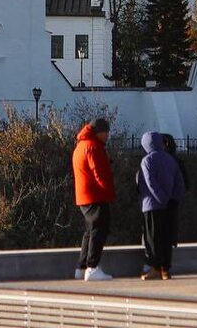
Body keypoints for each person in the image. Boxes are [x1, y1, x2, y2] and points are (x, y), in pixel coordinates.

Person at [135, 131, 186, 280]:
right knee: (166, 237)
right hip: (169, 205)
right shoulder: (171, 159)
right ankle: (165, 269)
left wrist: (161, 199)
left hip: (152, 205)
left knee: (153, 238)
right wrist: (173, 199)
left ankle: (155, 267)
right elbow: (179, 183)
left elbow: (150, 182)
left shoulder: (147, 160)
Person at [72, 117, 116, 281]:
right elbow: (99, 173)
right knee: (99, 230)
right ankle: (92, 267)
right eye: (106, 132)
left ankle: (81, 267)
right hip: (96, 195)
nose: (107, 135)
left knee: (89, 231)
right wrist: (109, 190)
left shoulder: (80, 145)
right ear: (99, 132)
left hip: (84, 195)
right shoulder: (93, 146)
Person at [161, 133, 188, 251]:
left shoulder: (157, 161)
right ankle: (170, 244)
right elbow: (185, 182)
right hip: (173, 200)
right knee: (171, 223)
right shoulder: (177, 161)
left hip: (159, 200)